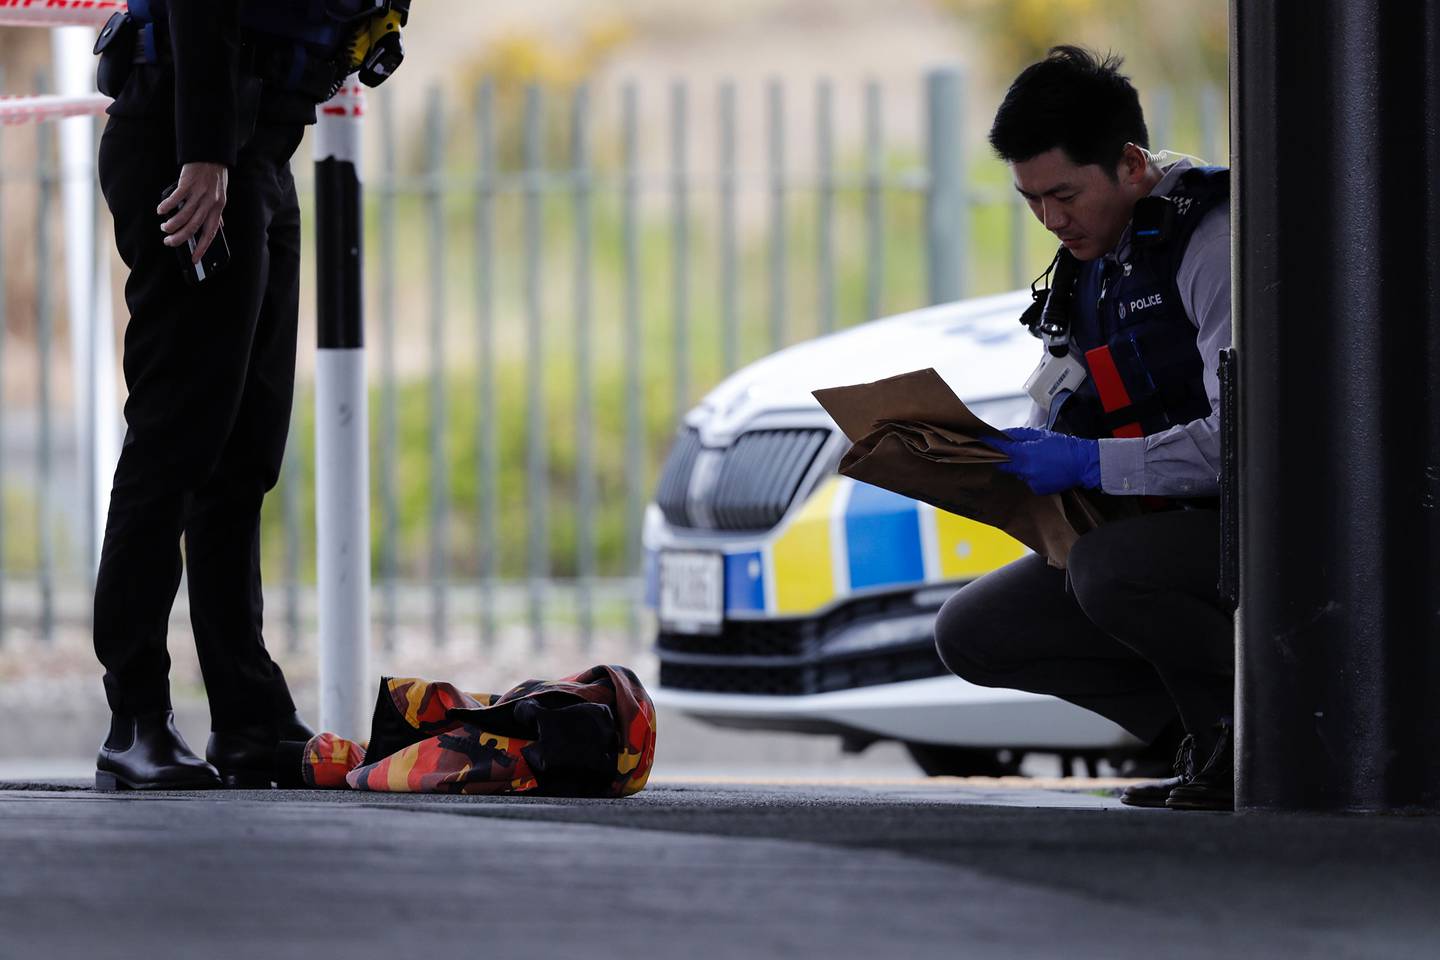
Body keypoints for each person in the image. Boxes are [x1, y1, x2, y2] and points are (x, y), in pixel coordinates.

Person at [932, 47, 1235, 811]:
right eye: (1032, 200)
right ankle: (1205, 740)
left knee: (1110, 570)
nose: (1051, 219)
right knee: (973, 630)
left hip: (1268, 534)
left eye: (1064, 194)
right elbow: (1061, 407)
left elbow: (1246, 446)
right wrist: (992, 466)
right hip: (1157, 529)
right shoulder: (1088, 265)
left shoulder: (1213, 244)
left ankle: (1262, 738)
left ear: (1131, 165)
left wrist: (1090, 464)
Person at [90, 0, 366, 790]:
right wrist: (205, 151)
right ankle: (134, 714)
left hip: (263, 148)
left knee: (244, 453)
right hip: (191, 141)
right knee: (176, 440)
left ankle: (247, 716)